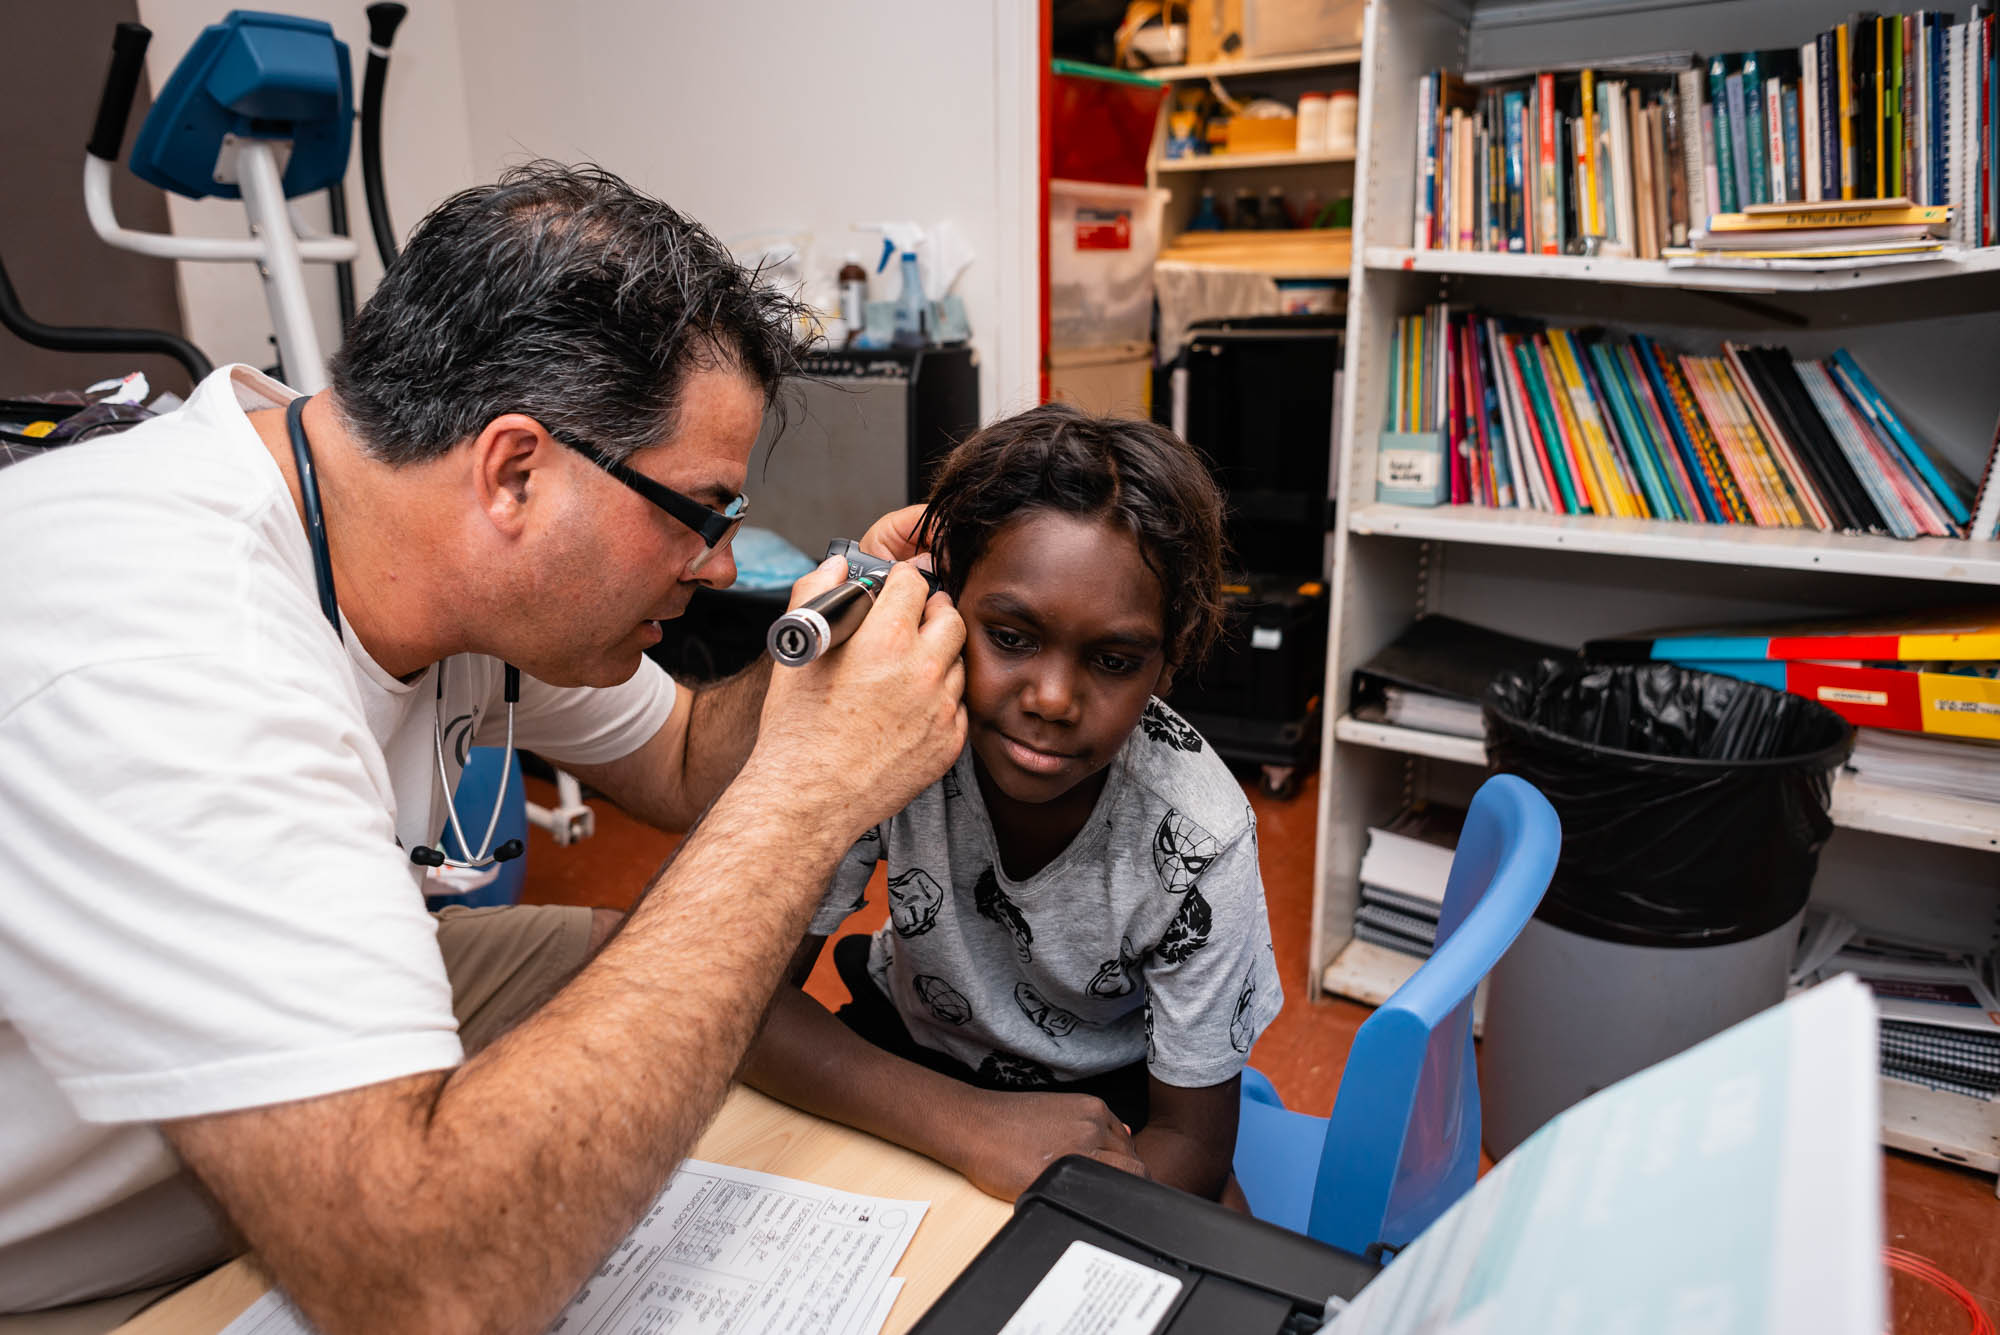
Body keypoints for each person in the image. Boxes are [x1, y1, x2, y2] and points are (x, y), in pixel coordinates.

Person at [0, 163, 979, 1335]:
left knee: (594, 963)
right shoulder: (178, 660)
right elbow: (429, 1301)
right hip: (56, 1265)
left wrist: (832, 635)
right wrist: (811, 795)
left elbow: (677, 763)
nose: (720, 567)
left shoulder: (404, 534)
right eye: (700, 514)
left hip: (165, 1135)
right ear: (516, 472)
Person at [742, 403, 1285, 1204]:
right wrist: (972, 1126)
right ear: (942, 595)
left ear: (1170, 661)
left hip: (1106, 1102)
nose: (1054, 699)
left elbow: (1193, 1144)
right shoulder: (888, 738)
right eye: (1013, 637)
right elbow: (742, 1006)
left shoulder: (1200, 840)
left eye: (1112, 658)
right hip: (909, 1053)